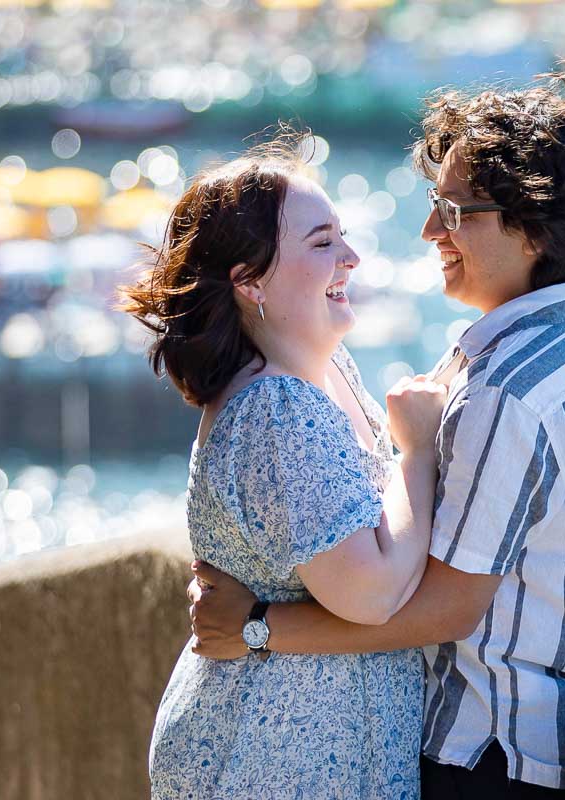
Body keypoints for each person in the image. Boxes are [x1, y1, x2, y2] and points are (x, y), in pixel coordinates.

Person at [188, 75, 565, 797]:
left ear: (534, 227)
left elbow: (445, 607)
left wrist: (255, 628)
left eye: (454, 211)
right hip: (520, 740)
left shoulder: (509, 388)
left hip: (484, 746)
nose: (429, 233)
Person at [119, 140, 449, 799]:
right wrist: (419, 451)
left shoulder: (326, 372)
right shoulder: (277, 408)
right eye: (323, 243)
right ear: (250, 281)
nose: (351, 259)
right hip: (272, 758)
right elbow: (372, 591)